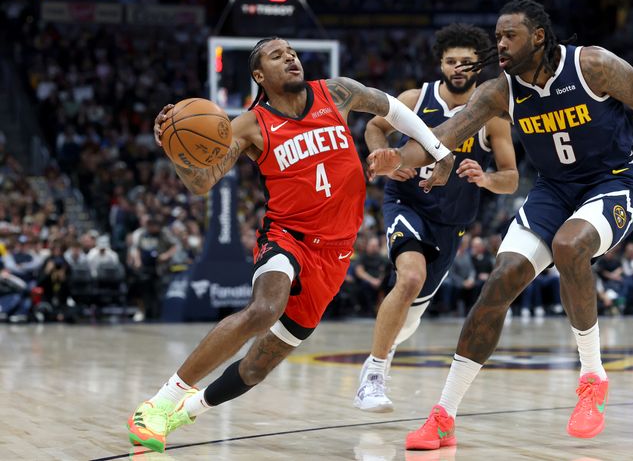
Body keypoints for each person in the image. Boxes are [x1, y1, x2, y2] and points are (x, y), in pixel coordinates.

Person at [368, 0, 633, 449]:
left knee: (570, 246)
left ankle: (592, 376)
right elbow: (443, 137)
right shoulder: (499, 91)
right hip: (553, 189)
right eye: (496, 36)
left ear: (538, 36)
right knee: (499, 282)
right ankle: (444, 414)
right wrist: (399, 156)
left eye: (508, 36)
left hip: (611, 182)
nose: (499, 44)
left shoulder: (592, 66)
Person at [126, 37, 454, 453]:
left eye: (292, 52)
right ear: (259, 75)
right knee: (264, 309)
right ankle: (157, 404)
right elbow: (202, 181)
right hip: (287, 237)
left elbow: (392, 109)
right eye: (277, 56)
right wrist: (175, 148)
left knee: (258, 366)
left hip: (335, 253)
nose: (291, 58)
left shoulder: (335, 93)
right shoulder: (249, 124)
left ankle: (184, 412)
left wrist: (438, 150)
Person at [354, 23, 517, 412]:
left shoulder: (492, 114)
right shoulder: (416, 97)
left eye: (466, 62)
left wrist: (486, 177)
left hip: (450, 221)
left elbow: (510, 178)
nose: (458, 68)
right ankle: (374, 376)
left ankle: (381, 354)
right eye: (451, 61)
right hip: (407, 203)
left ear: (479, 66)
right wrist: (387, 163)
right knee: (410, 277)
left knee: (408, 322)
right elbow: (374, 127)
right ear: (440, 64)